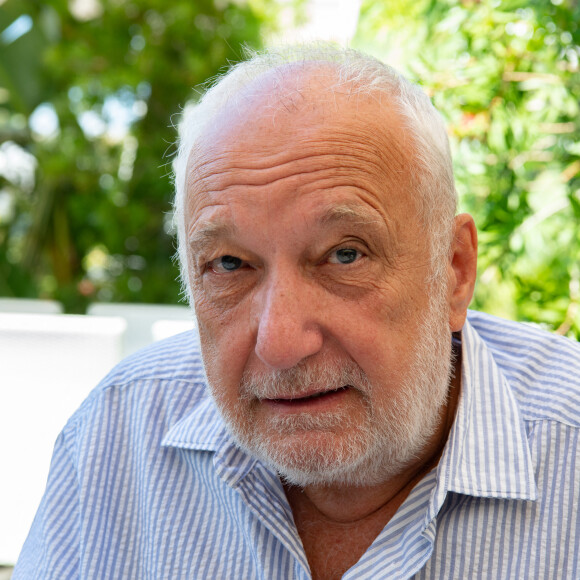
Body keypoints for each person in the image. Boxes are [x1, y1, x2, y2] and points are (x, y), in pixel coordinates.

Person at [14, 45, 580, 580]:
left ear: (453, 270)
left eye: (345, 254)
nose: (280, 343)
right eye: (230, 264)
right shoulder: (116, 438)